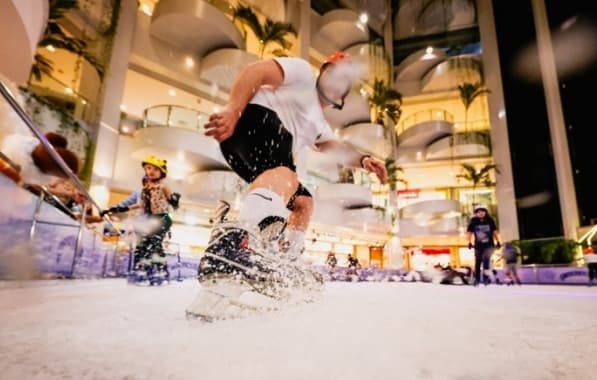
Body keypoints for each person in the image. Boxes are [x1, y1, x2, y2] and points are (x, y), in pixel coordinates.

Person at [199, 52, 387, 281]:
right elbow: (255, 72)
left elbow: (336, 147)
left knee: (303, 202)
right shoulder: (302, 74)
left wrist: (364, 160)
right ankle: (233, 246)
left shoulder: (320, 124)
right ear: (323, 71)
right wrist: (233, 109)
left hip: (251, 152)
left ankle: (287, 260)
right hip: (253, 121)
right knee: (287, 172)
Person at [103, 156, 180, 284]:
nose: (151, 171)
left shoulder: (163, 186)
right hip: (151, 218)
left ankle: (160, 270)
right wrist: (119, 208)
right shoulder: (145, 189)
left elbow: (172, 202)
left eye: (155, 169)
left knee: (155, 243)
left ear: (162, 172)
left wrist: (175, 201)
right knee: (145, 244)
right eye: (148, 168)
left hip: (163, 217)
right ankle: (145, 269)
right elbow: (140, 205)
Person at [467, 204, 501, 286]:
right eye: (478, 212)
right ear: (476, 213)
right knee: (477, 262)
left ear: (485, 212)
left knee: (486, 260)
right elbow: (469, 233)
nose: (480, 213)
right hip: (478, 245)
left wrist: (498, 241)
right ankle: (477, 279)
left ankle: (486, 278)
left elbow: (494, 232)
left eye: (482, 211)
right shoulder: (473, 221)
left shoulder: (490, 220)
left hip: (489, 245)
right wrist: (469, 242)